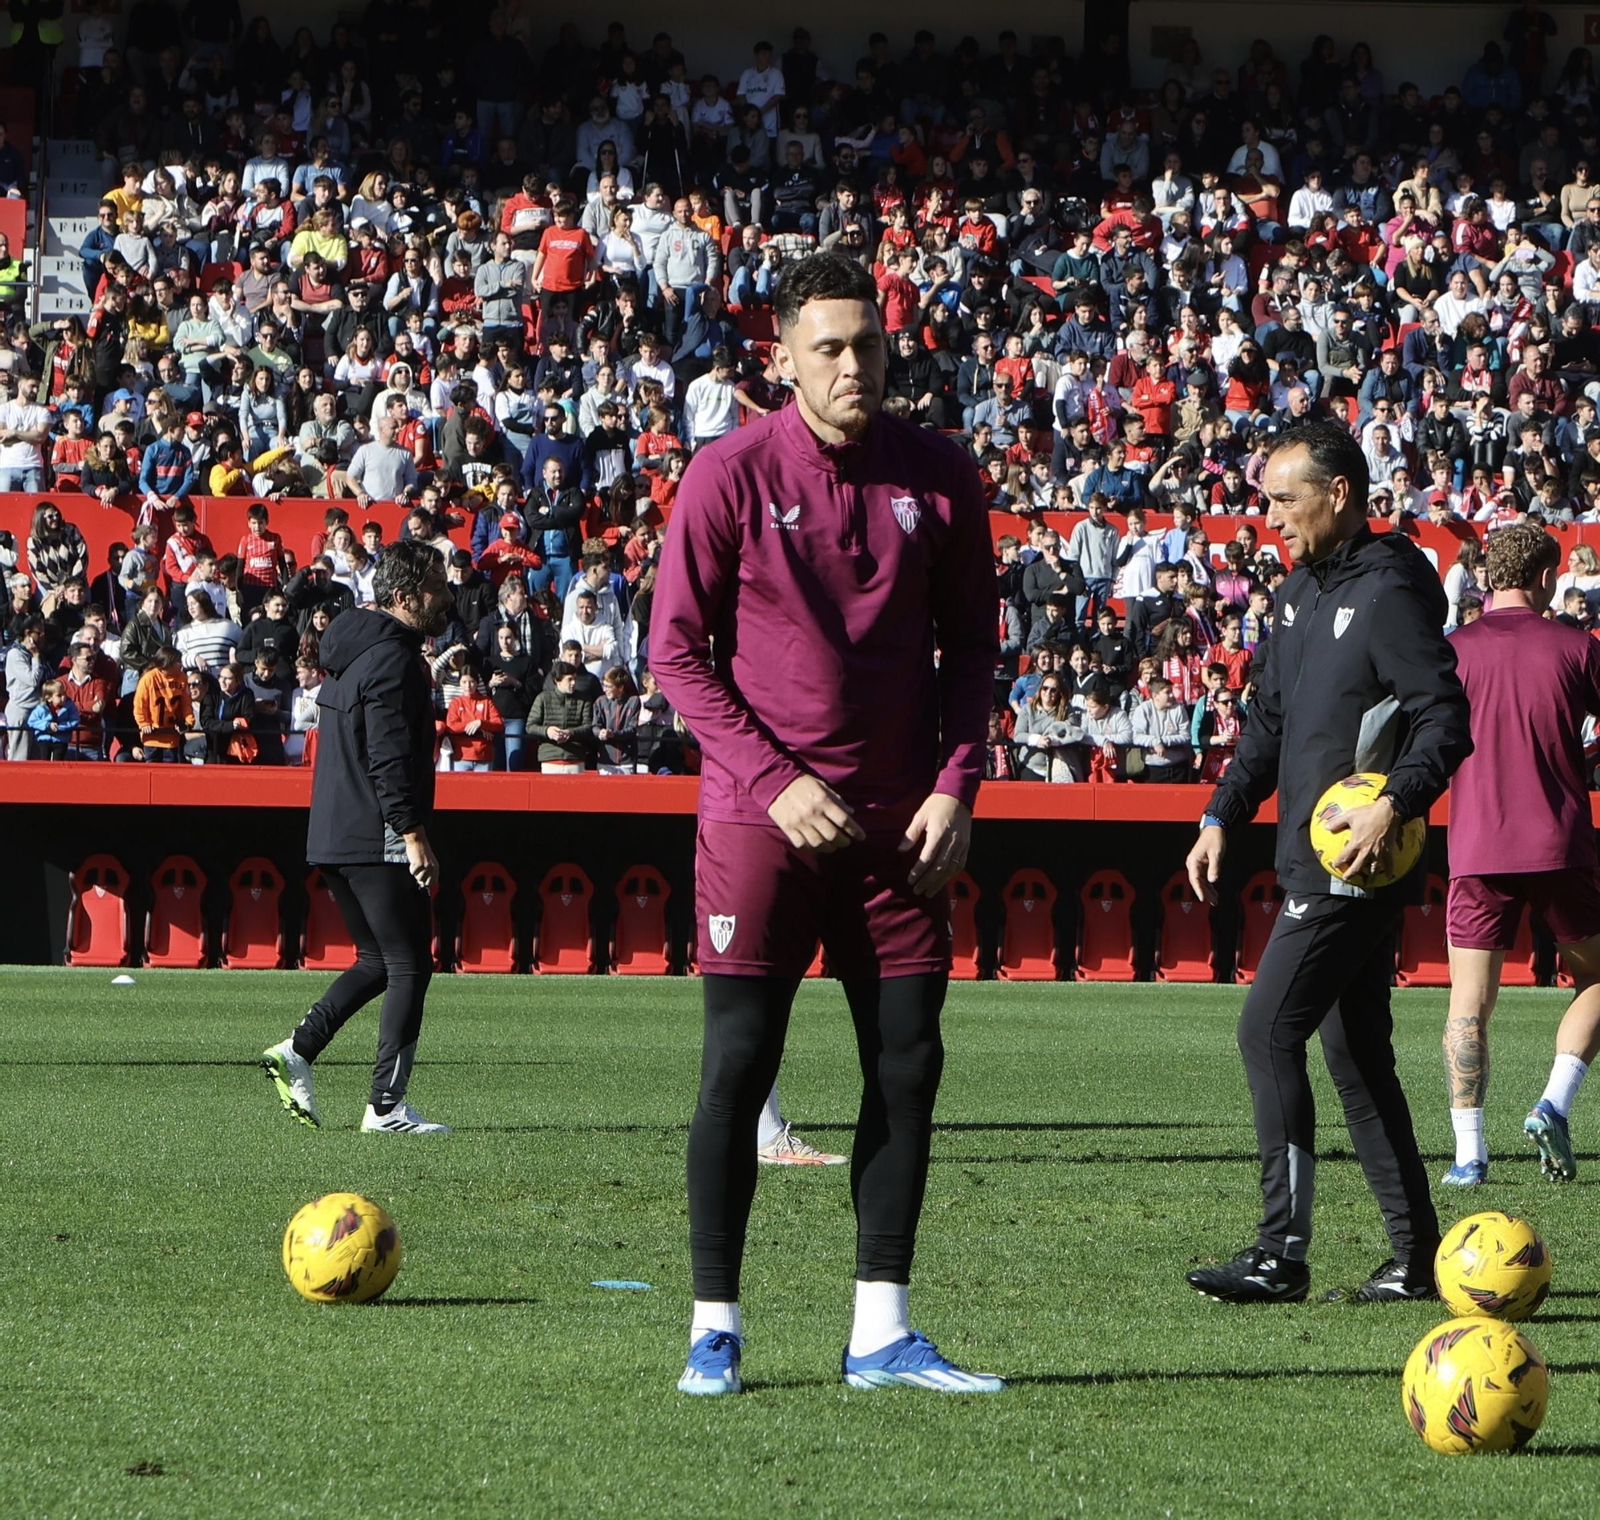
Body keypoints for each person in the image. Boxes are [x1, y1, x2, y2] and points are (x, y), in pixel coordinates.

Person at [651, 252, 1001, 1397]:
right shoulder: (728, 473)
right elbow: (677, 657)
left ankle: (881, 1331)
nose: (856, 366)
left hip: (903, 824)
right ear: (784, 356)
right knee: (737, 1063)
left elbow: (973, 656)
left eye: (871, 345)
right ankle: (714, 1327)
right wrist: (769, 777)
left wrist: (956, 781)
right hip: (759, 824)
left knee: (907, 1066)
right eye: (831, 347)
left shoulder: (943, 476)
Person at [1183, 422, 1472, 1305]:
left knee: (1266, 1031)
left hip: (1358, 862)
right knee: (1353, 1053)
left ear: (1338, 494)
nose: (1268, 517)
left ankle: (1281, 1252)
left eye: (1283, 499)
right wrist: (1221, 812)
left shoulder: (1389, 588)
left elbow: (1445, 718)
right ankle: (1418, 1258)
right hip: (1310, 857)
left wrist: (1395, 803)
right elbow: (1269, 720)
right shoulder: (1297, 592)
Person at [259, 539, 453, 1135]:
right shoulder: (395, 660)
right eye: (434, 587)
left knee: (379, 959)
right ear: (403, 597)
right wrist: (414, 832)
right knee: (410, 964)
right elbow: (389, 756)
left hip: (335, 833)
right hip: (379, 833)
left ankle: (299, 1048)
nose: (445, 595)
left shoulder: (354, 655)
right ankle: (386, 1108)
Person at [1439, 523, 1600, 1186]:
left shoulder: (1450, 652)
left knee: (1468, 1003)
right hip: (1559, 840)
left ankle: (1468, 1156)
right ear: (1542, 578)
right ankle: (1552, 1104)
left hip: (1476, 843)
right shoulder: (1577, 646)